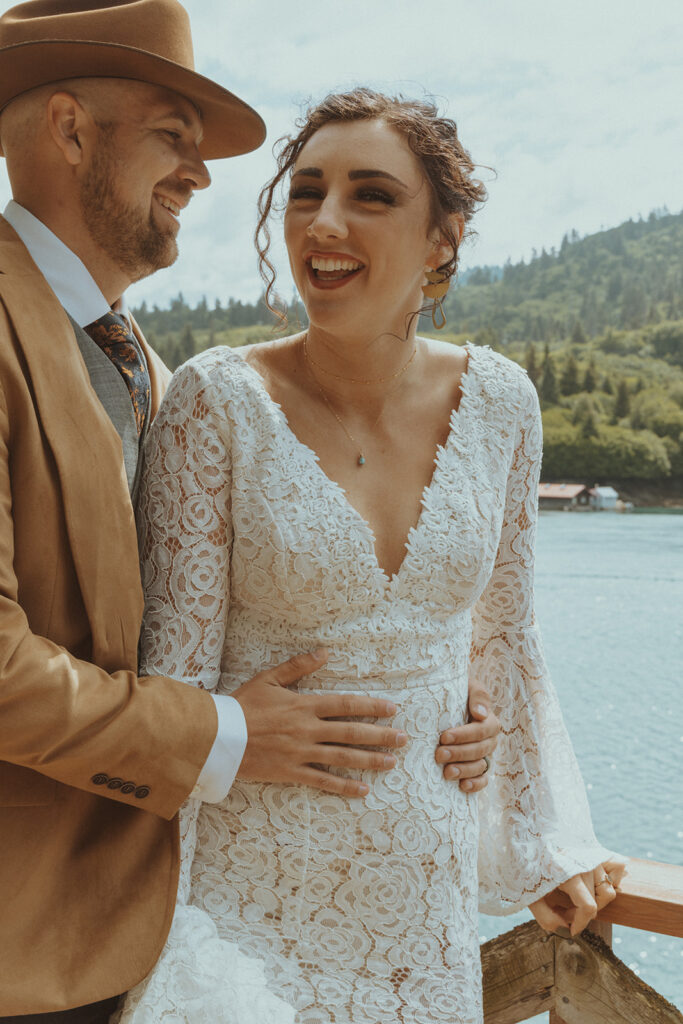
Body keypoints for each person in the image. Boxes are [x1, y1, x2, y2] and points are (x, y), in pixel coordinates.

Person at [0, 6, 499, 1021]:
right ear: (68, 129)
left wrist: (447, 707)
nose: (202, 175)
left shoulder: (156, 372)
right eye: (172, 137)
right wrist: (225, 732)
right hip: (25, 951)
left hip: (164, 945)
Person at [116, 89, 626, 1024]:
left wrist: (529, 826)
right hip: (247, 888)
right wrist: (221, 738)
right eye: (305, 192)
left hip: (422, 908)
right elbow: (170, 678)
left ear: (442, 239)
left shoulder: (503, 402)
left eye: (372, 195)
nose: (325, 220)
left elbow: (504, 631)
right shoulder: (213, 402)